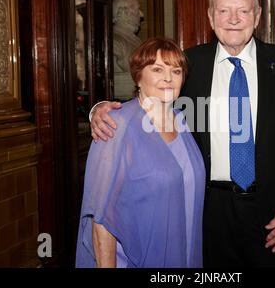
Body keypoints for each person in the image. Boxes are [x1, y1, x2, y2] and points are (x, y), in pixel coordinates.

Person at [90, 0, 275, 267]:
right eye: (224, 11)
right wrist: (101, 109)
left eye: (243, 11)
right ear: (211, 18)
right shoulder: (189, 64)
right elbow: (150, 101)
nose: (234, 20)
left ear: (258, 16)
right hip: (206, 214)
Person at [76, 38, 205, 268]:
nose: (168, 78)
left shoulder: (181, 120)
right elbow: (101, 220)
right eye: (157, 69)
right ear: (138, 76)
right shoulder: (116, 126)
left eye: (176, 71)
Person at [112, 0, 144, 100]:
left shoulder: (135, 40)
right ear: (125, 13)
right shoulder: (115, 41)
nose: (141, 15)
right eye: (137, 10)